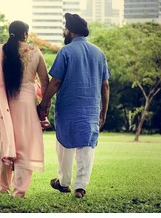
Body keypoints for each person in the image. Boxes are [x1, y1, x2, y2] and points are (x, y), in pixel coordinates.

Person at [37, 13, 110, 199]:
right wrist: (104, 111)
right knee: (87, 146)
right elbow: (105, 85)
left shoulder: (66, 51)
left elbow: (55, 82)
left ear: (71, 31)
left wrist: (43, 103)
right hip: (91, 109)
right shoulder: (99, 53)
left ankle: (63, 182)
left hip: (68, 108)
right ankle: (80, 187)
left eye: (65, 28)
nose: (64, 31)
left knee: (64, 144)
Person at [0, 20, 50, 197]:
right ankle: (19, 191)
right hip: (26, 105)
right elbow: (45, 81)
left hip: (4, 104)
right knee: (24, 146)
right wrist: (44, 106)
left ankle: (3, 187)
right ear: (25, 34)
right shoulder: (35, 52)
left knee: (5, 143)